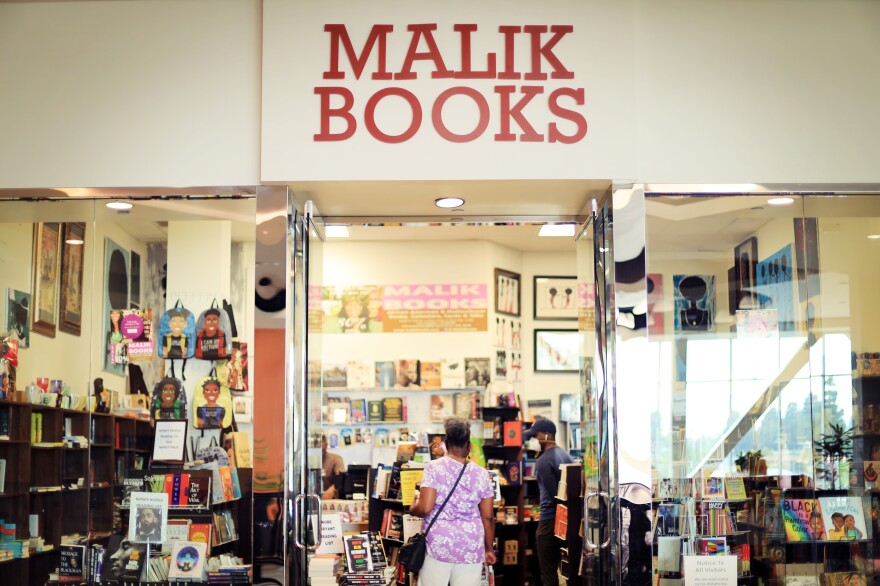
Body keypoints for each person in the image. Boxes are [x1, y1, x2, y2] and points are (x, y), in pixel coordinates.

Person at [408, 416, 495, 586]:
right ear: (469, 445)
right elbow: (488, 516)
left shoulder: (434, 467)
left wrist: (413, 508)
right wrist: (489, 549)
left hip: (439, 543)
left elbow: (425, 508)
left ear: (445, 443)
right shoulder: (482, 473)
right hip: (471, 543)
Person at [525, 418, 573, 586]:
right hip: (566, 519)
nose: (534, 441)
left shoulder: (544, 461)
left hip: (549, 520)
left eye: (535, 436)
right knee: (567, 569)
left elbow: (553, 496)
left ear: (547, 435)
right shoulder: (566, 455)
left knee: (548, 571)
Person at [321, 435, 345, 500]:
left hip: (331, 500)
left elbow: (341, 479)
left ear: (326, 445)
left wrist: (331, 490)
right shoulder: (307, 460)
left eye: (322, 451)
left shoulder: (336, 459)